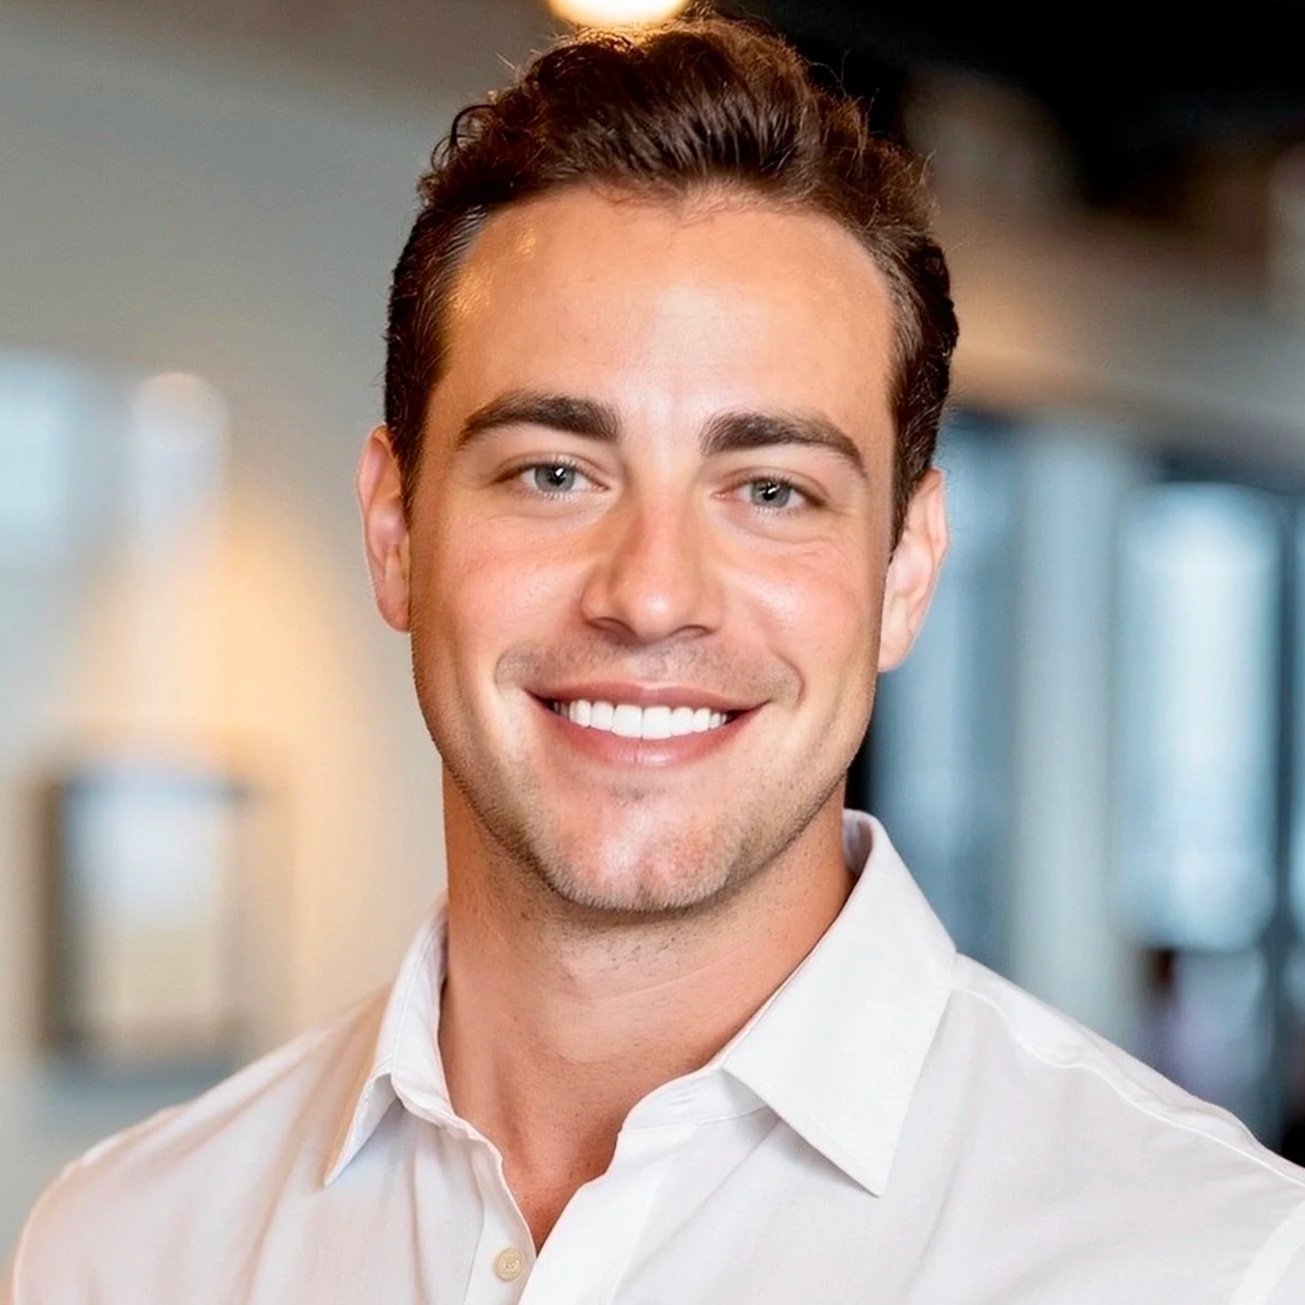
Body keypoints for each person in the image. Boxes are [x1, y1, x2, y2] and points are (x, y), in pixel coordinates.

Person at [5, 12, 1305, 1303]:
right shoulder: (122, 1248)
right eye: (554, 471)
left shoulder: (1207, 1261)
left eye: (771, 489)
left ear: (905, 568)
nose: (651, 594)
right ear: (395, 530)